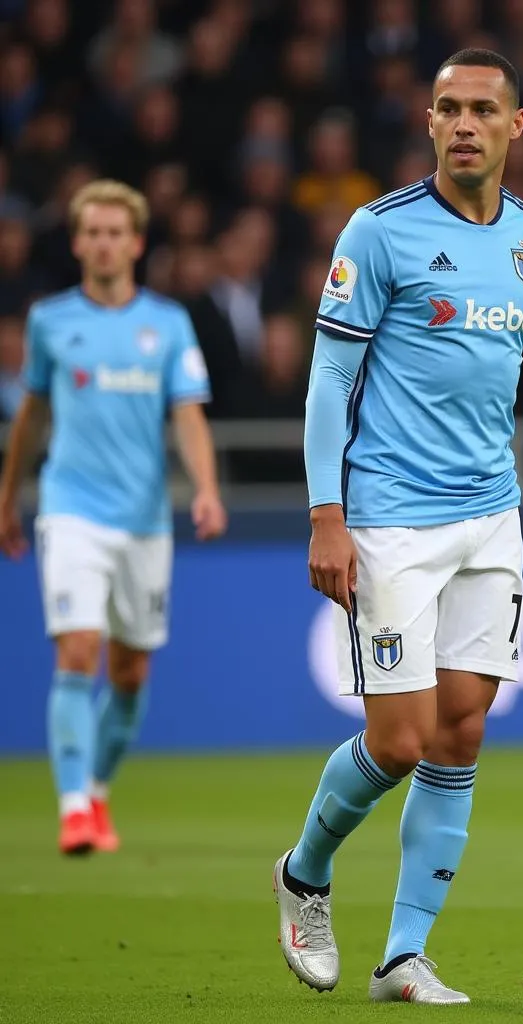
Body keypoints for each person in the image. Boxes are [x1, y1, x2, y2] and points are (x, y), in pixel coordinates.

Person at [274, 49, 523, 1005]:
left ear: (517, 127)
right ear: (428, 123)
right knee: (397, 740)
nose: (462, 124)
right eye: (445, 108)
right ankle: (305, 872)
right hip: (388, 520)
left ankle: (402, 956)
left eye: (481, 109)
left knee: (461, 732)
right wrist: (325, 514)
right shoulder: (379, 233)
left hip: (490, 520)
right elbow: (330, 381)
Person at [0, 179, 227, 855]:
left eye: (113, 233)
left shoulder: (168, 324)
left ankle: (95, 788)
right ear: (76, 243)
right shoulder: (50, 321)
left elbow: (188, 414)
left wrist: (207, 489)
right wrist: (8, 492)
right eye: (90, 232)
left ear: (135, 242)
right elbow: (32, 415)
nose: (102, 243)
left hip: (145, 519)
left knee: (130, 674)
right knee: (78, 651)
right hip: (70, 510)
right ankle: (73, 808)